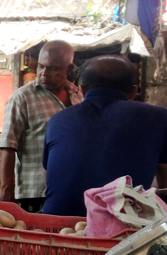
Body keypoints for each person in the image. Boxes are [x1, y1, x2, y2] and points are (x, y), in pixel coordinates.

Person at [43, 56, 167, 216]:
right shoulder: (158, 117)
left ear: (82, 90)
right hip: (123, 229)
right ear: (133, 91)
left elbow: (49, 180)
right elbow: (165, 179)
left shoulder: (57, 120)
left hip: (57, 225)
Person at [0, 40, 82, 212]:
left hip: (71, 188)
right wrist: (6, 189)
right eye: (41, 66)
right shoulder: (22, 98)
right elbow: (8, 145)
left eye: (53, 68)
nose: (44, 73)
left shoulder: (77, 95)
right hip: (34, 192)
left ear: (69, 69)